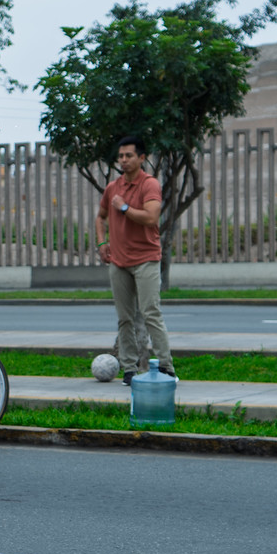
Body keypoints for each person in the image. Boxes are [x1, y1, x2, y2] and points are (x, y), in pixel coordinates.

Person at [95, 137, 171, 383]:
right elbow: (100, 217)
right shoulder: (112, 187)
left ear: (141, 158)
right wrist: (102, 243)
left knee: (151, 313)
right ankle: (129, 370)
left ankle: (166, 367)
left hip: (146, 259)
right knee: (124, 318)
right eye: (121, 156)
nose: (124, 160)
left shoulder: (149, 184)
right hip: (118, 263)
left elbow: (151, 217)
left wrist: (124, 207)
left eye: (129, 155)